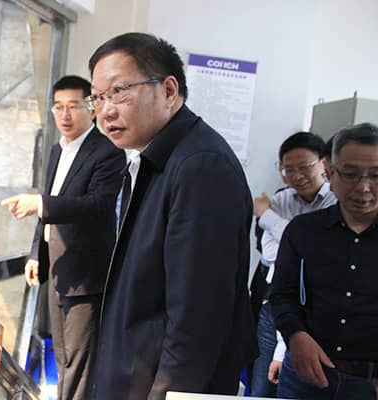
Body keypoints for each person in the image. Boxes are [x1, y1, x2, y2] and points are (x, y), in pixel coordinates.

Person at [86, 32, 256, 399]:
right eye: (97, 98)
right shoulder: (155, 157)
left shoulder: (201, 167)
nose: (105, 111)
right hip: (133, 376)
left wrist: (167, 393)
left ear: (168, 90)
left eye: (119, 92)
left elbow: (198, 317)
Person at [2, 75, 125, 400]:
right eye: (58, 107)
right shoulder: (58, 150)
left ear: (92, 109)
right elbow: (49, 203)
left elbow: (97, 205)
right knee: (63, 357)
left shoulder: (108, 152)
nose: (65, 115)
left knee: (79, 366)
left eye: (73, 106)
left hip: (86, 278)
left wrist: (40, 204)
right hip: (57, 269)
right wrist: (36, 254)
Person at [270, 122, 378, 400]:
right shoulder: (303, 230)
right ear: (330, 172)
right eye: (350, 174)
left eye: (377, 175)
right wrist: (295, 335)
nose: (363, 187)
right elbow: (282, 294)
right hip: (306, 376)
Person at [251, 132, 337, 397]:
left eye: (304, 166)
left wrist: (266, 216)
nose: (296, 175)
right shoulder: (282, 199)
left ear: (323, 164)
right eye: (288, 170)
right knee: (262, 386)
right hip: (274, 305)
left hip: (317, 309)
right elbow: (270, 255)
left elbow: (317, 250)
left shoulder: (337, 201)